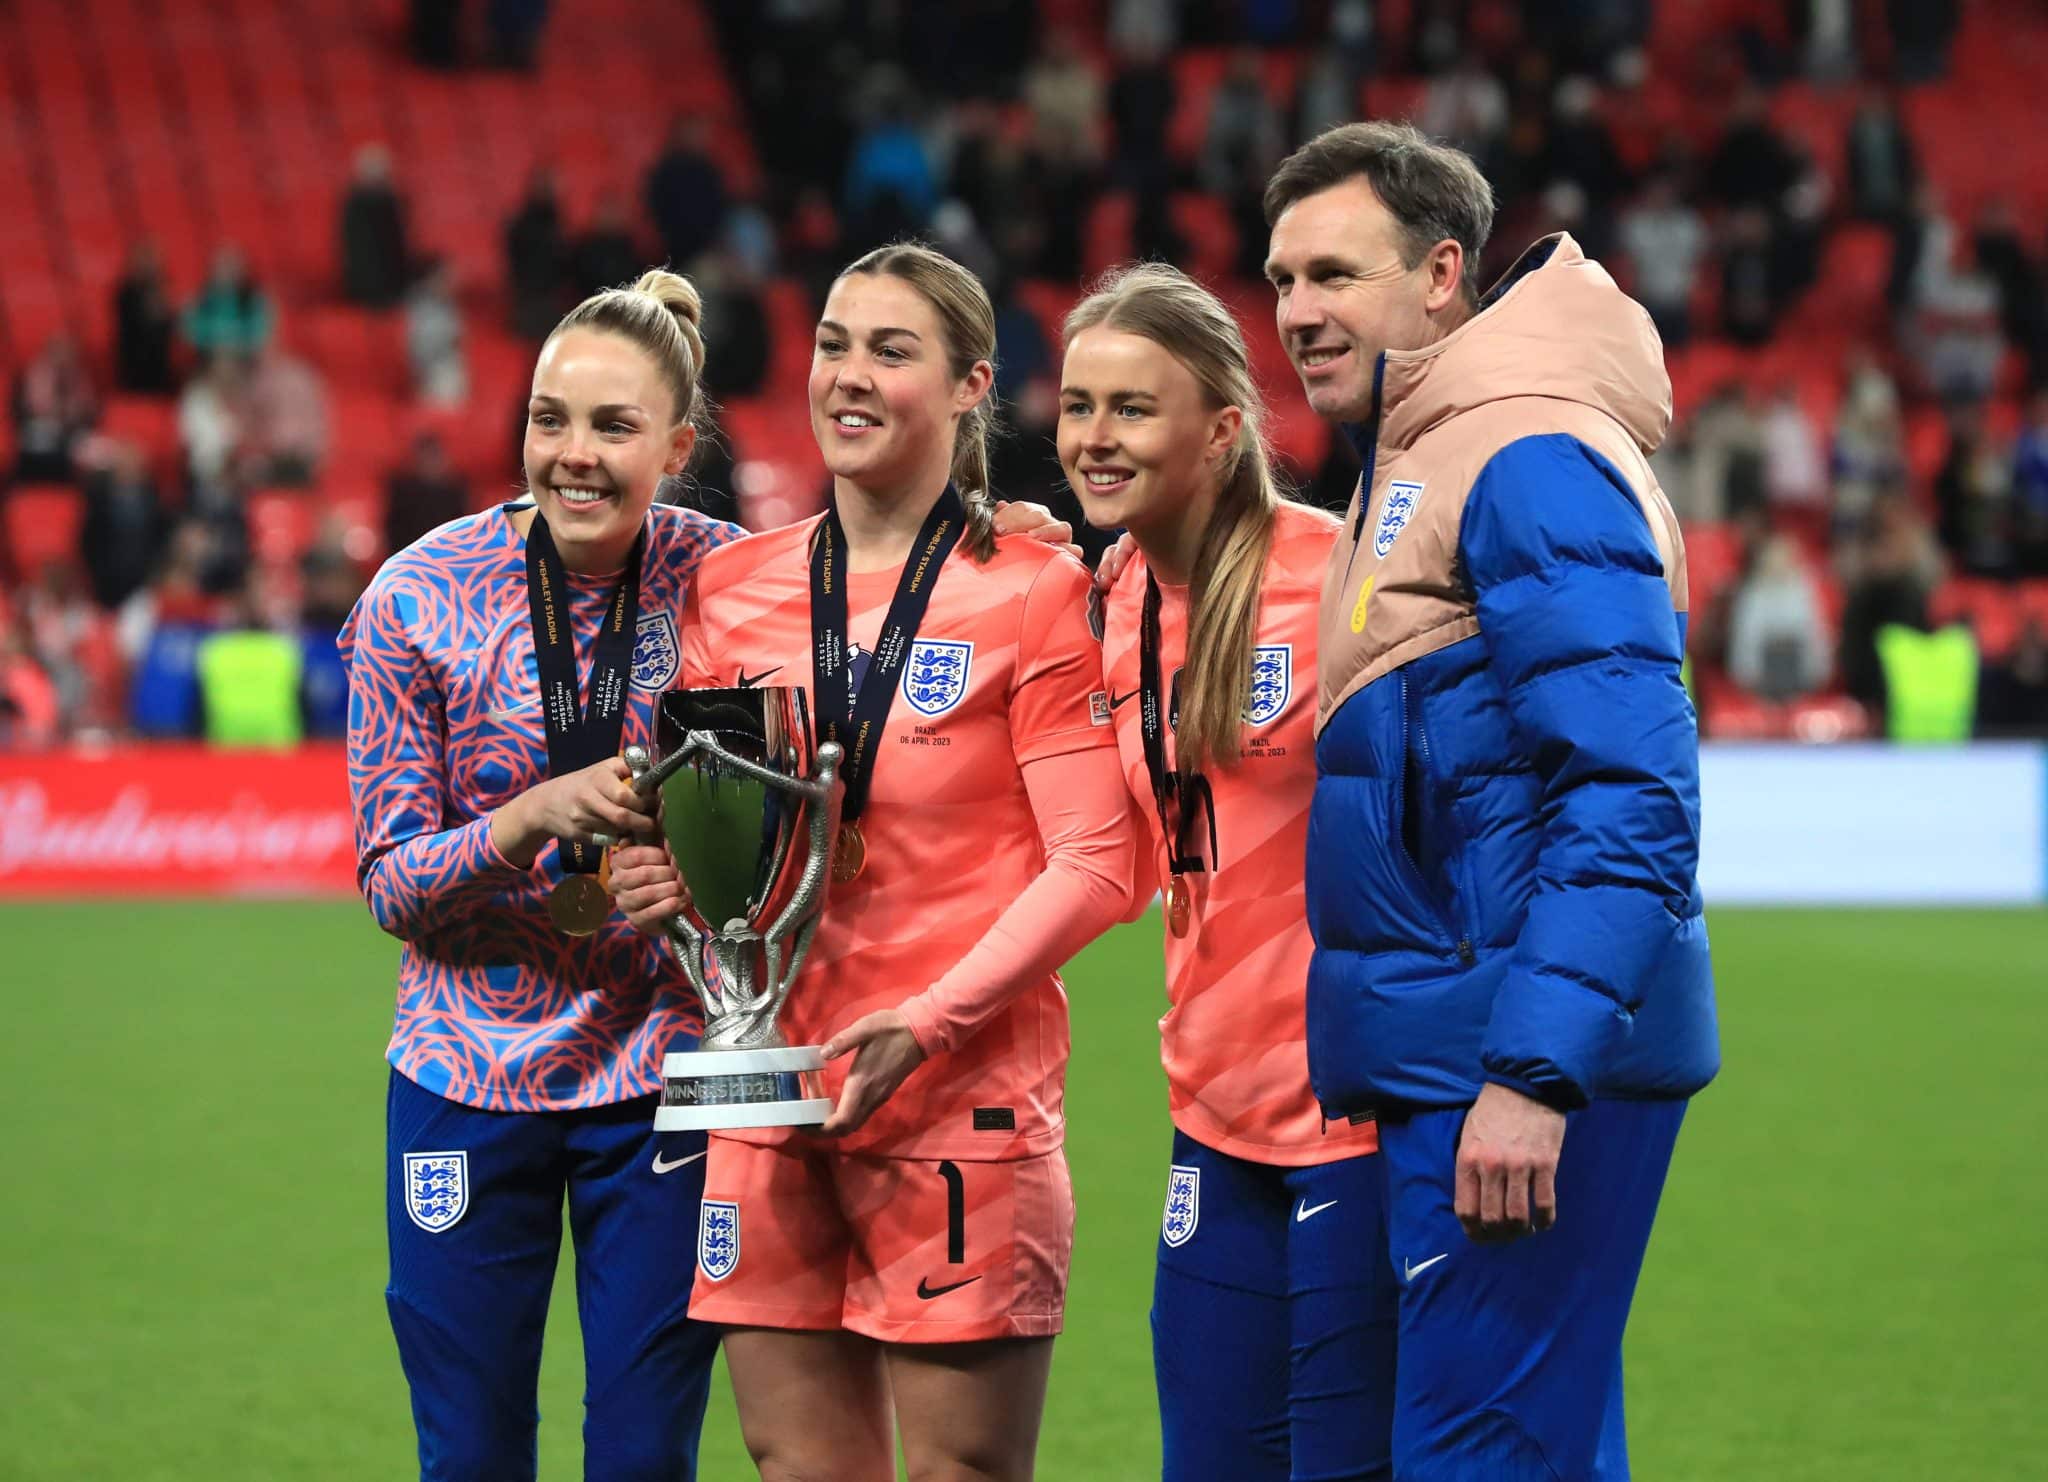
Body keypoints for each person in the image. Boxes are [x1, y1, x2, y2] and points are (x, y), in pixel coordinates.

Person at [609, 243, 1136, 1482]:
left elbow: (1099, 863)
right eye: (834, 343)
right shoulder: (728, 589)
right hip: (768, 1090)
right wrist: (662, 879)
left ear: (969, 387)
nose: (847, 375)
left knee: (958, 1471)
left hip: (954, 1095)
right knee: (794, 1463)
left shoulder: (1037, 588)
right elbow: (718, 839)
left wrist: (928, 1020)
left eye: (890, 351)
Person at [1262, 121, 1718, 1480]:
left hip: (1512, 1054)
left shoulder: (1522, 454)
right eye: (1282, 278)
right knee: (1541, 1445)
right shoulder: (1428, 450)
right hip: (1476, 1033)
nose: (1296, 311)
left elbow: (1634, 783)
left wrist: (1531, 1069)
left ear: (1442, 272)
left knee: (1479, 1452)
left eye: (1334, 273)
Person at [340, 269, 737, 1481]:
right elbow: (392, 885)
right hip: (465, 1071)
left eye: (613, 426)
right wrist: (526, 821)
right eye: (548, 418)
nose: (572, 454)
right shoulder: (415, 599)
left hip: (666, 1075)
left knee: (641, 1458)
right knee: (466, 1456)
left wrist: (999, 522)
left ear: (675, 443)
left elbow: (812, 804)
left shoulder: (737, 584)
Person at [1059, 262, 1396, 1480]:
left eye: (1130, 408)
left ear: (1219, 430)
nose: (1094, 438)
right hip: (1210, 1115)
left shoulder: (1344, 576)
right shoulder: (1104, 595)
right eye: (1077, 405)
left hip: (1358, 1119)